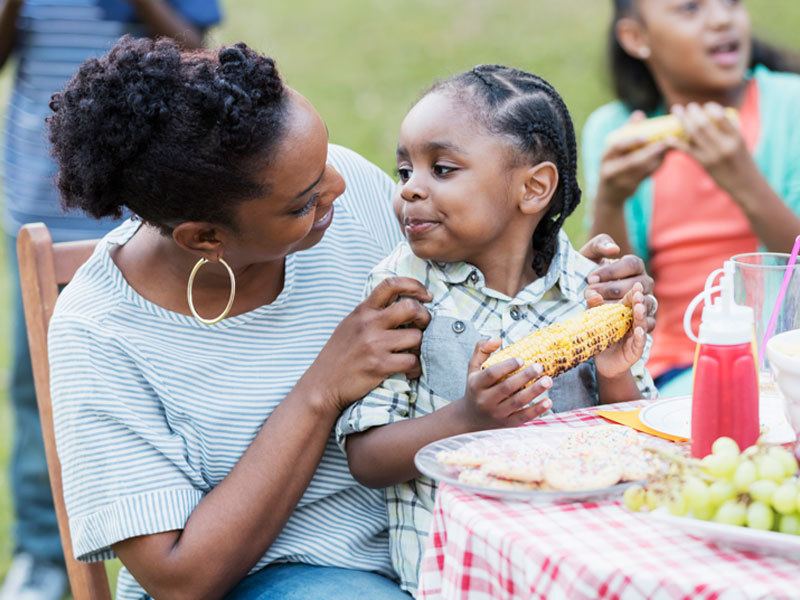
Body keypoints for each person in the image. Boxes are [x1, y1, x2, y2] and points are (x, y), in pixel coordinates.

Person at [46, 37, 656, 599]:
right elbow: (179, 577)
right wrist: (322, 389)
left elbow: (492, 249)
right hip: (275, 579)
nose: (341, 185)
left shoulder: (350, 193)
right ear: (205, 237)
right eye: (304, 200)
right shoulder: (99, 331)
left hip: (448, 540)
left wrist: (586, 278)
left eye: (325, 159)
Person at [335, 65, 655, 596]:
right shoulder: (400, 290)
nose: (410, 190)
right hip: (458, 571)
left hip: (580, 559)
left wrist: (613, 372)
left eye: (440, 169)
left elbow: (632, 442)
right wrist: (468, 417)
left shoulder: (590, 289)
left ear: (533, 188)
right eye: (403, 171)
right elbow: (367, 459)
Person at [0, 2, 220, 599]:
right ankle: (45, 555)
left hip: (150, 227)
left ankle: (187, 530)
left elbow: (196, 49)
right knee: (38, 392)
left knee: (158, 386)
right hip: (40, 211)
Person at [583, 0, 800, 397]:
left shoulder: (791, 107)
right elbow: (611, 292)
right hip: (677, 368)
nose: (721, 18)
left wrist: (744, 181)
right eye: (690, 8)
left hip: (784, 357)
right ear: (636, 37)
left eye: (732, 2)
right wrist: (612, 200)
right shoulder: (612, 129)